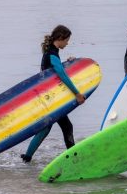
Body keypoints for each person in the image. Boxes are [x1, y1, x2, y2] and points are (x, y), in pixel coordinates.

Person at [22, 25, 85, 163]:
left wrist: (68, 62)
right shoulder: (51, 53)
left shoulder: (51, 52)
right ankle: (73, 158)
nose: (67, 43)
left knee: (46, 129)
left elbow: (54, 71)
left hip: (47, 97)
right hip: (51, 100)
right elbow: (61, 74)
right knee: (65, 126)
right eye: (67, 40)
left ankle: (27, 158)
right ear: (60, 38)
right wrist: (77, 93)